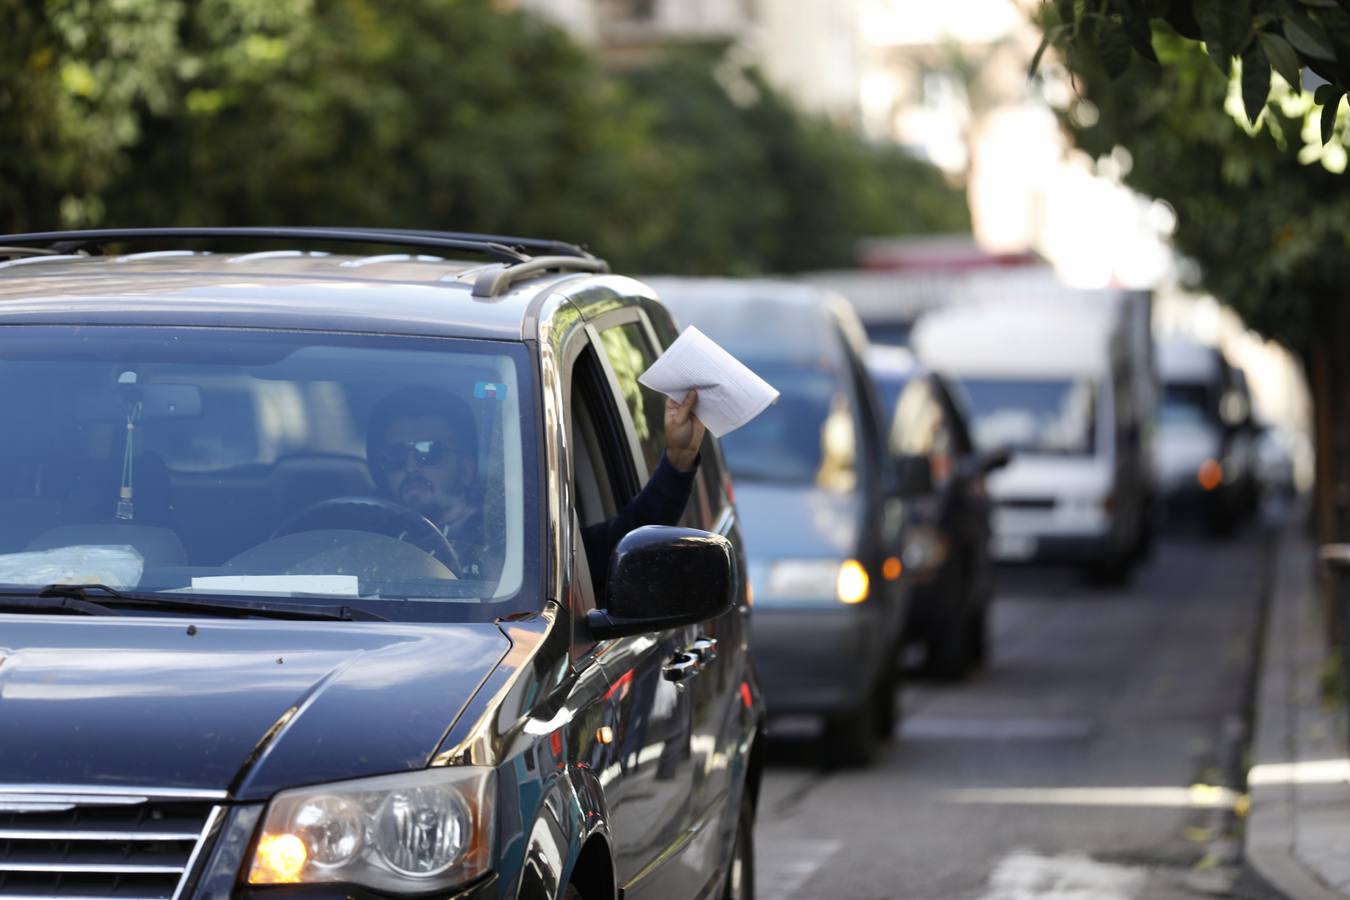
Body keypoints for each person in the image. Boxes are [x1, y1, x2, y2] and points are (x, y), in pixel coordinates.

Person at [366, 385, 705, 589]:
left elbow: (632, 535)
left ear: (467, 469)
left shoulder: (524, 543)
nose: (410, 467)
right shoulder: (354, 532)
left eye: (430, 452)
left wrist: (677, 461)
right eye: (396, 455)